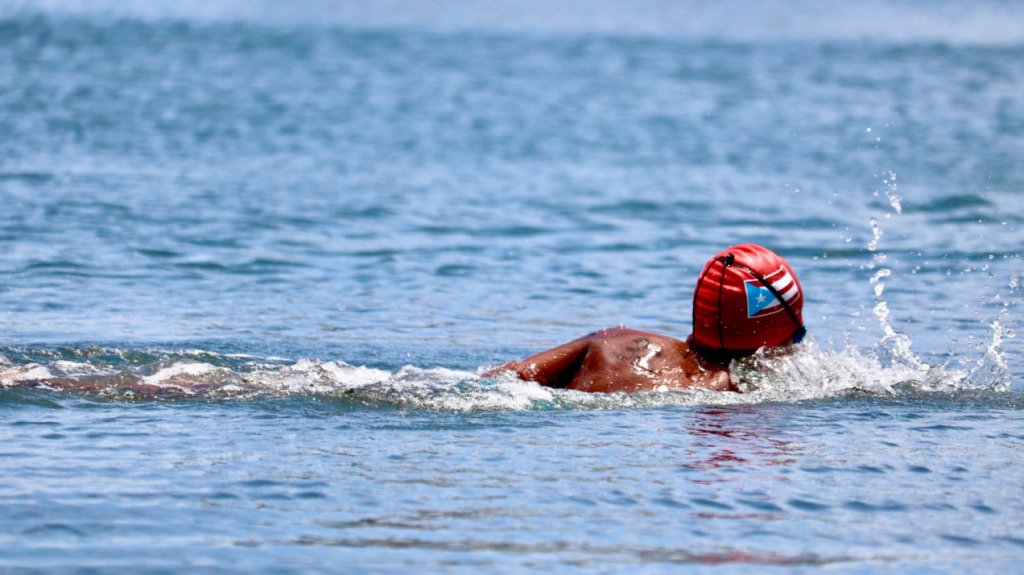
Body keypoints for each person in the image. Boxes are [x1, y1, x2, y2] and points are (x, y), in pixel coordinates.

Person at [484, 244, 806, 393]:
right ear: (768, 341)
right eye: (796, 336)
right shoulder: (738, 391)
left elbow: (504, 379)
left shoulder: (611, 340)